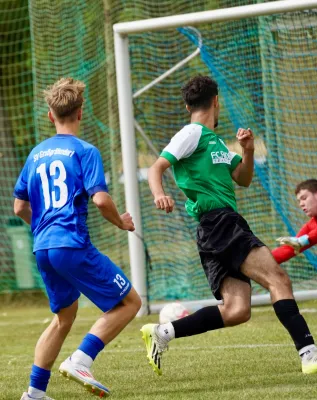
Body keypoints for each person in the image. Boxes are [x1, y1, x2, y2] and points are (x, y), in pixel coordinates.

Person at [140, 75, 317, 377]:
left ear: (188, 105)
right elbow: (156, 167)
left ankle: (163, 332)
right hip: (221, 222)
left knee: (237, 311)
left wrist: (247, 150)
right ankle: (309, 352)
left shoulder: (216, 142)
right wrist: (160, 194)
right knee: (278, 279)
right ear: (216, 101)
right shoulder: (192, 133)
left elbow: (244, 179)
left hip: (215, 228)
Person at [14, 77, 141, 400]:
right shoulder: (85, 151)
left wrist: (43, 228)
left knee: (64, 317)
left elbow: (19, 207)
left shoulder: (36, 154)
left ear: (49, 116)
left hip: (43, 247)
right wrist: (121, 222)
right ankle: (81, 360)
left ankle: (34, 394)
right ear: (81, 113)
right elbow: (100, 200)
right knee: (129, 303)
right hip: (70, 244)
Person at [273, 179, 317, 263]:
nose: (301, 204)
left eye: (304, 198)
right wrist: (261, 261)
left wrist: (303, 240)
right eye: (299, 201)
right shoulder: (311, 225)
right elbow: (291, 248)